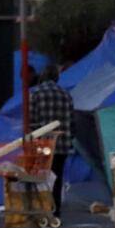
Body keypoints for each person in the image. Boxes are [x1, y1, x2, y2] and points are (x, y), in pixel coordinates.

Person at [29, 64, 73, 218]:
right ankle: (56, 211)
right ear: (56, 77)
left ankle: (42, 209)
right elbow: (72, 120)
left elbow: (32, 121)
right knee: (57, 177)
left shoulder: (36, 94)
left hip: (43, 144)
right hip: (61, 144)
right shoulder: (66, 94)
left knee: (42, 176)